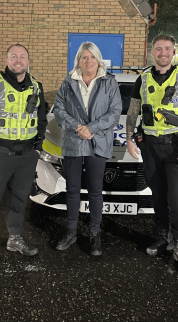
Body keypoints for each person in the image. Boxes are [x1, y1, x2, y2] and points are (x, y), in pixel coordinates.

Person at [126, 34, 178, 274]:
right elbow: (132, 112)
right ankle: (163, 237)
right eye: (158, 49)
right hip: (150, 147)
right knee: (158, 196)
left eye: (167, 49)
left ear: (173, 51)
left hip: (176, 148)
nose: (162, 53)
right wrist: (129, 138)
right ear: (152, 51)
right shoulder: (143, 78)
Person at [0, 44, 47, 274]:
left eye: (22, 56)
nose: (18, 60)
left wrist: (37, 149)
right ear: (7, 60)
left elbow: (41, 121)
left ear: (28, 61)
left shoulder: (36, 87)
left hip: (26, 157)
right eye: (14, 56)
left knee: (19, 201)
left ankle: (15, 239)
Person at [53, 42, 122, 256]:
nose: (88, 61)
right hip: (74, 142)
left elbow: (115, 111)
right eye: (84, 57)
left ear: (98, 59)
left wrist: (90, 128)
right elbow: (59, 109)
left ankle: (94, 234)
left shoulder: (109, 82)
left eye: (92, 57)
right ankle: (71, 232)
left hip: (97, 142)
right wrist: (77, 127)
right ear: (79, 61)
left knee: (95, 191)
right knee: (72, 190)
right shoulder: (68, 81)